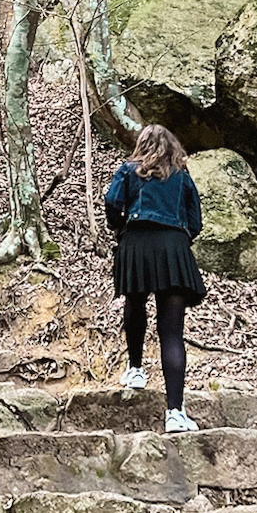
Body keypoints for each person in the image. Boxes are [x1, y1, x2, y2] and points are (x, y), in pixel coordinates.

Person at [104, 123, 206, 433]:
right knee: (172, 332)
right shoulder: (181, 175)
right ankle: (174, 413)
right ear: (172, 146)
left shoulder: (127, 170)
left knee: (135, 301)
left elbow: (112, 203)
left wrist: (119, 226)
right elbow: (195, 221)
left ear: (141, 144)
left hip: (135, 243)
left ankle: (135, 370)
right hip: (173, 248)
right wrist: (179, 237)